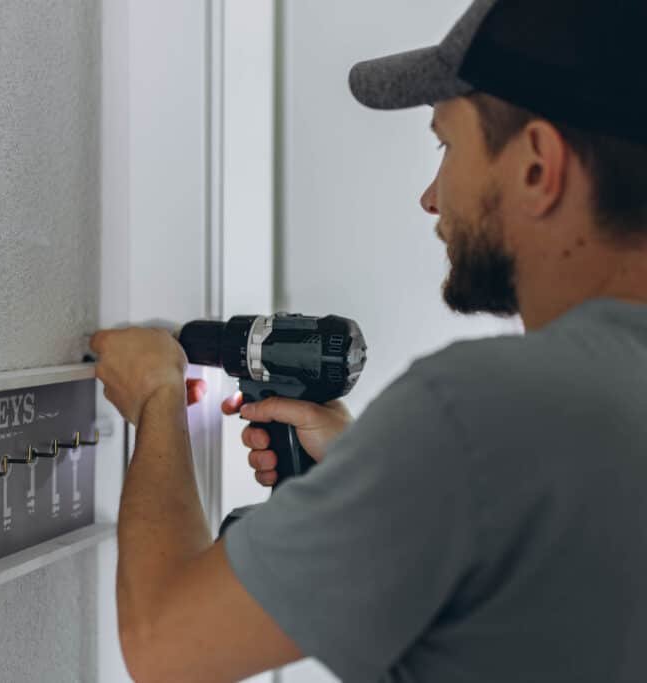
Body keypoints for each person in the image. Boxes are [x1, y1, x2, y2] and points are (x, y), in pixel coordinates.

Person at [90, 0, 647, 681]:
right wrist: (377, 472)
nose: (431, 196)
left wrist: (155, 396)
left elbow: (165, 644)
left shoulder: (479, 412)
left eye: (446, 145)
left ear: (536, 165)